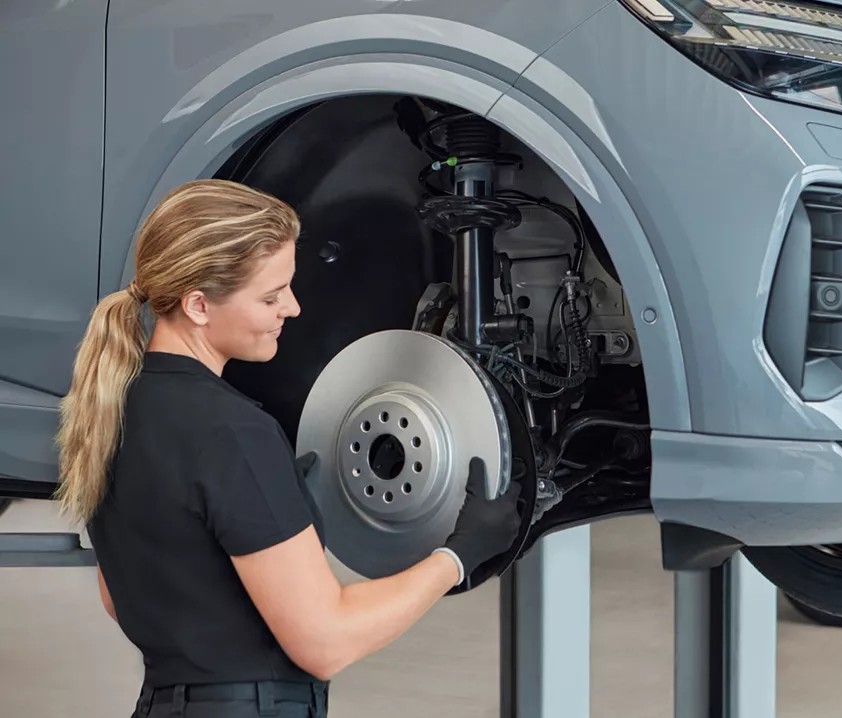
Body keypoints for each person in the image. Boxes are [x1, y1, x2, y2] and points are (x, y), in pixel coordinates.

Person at [53, 179, 522, 717]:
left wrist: (267, 512)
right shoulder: (231, 432)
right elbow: (325, 642)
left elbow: (121, 599)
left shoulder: (110, 411)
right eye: (271, 296)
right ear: (199, 305)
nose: (293, 308)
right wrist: (458, 556)